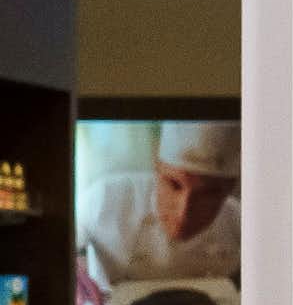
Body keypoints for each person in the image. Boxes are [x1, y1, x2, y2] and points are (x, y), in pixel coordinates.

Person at [76, 121, 243, 292]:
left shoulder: (238, 222)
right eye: (174, 184)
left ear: (229, 189)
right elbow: (61, 240)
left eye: (207, 194)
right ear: (157, 168)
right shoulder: (105, 199)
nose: (184, 211)